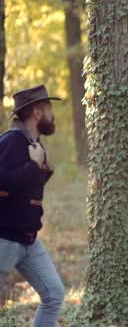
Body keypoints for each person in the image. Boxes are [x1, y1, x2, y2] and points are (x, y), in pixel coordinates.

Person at [0, 84, 64, 326]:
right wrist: (34, 167)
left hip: (28, 241)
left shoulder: (33, 144)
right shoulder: (12, 141)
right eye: (49, 108)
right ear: (37, 113)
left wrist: (43, 170)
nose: (51, 114)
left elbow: (23, 191)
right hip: (4, 239)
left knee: (54, 294)